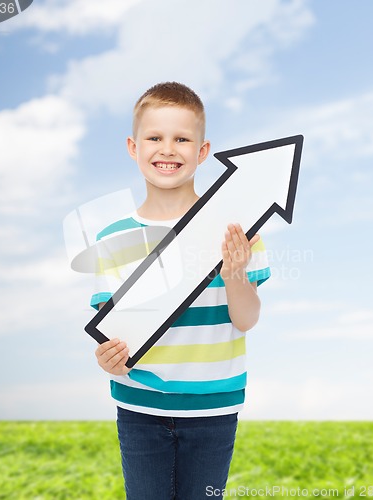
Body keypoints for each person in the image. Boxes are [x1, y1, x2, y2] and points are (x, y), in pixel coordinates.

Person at [93, 82, 270, 499]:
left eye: (182, 139)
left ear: (203, 151)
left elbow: (245, 320)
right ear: (133, 147)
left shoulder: (238, 229)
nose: (168, 149)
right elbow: (111, 338)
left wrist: (236, 274)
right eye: (155, 138)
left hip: (214, 406)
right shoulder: (112, 239)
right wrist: (109, 359)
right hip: (140, 408)